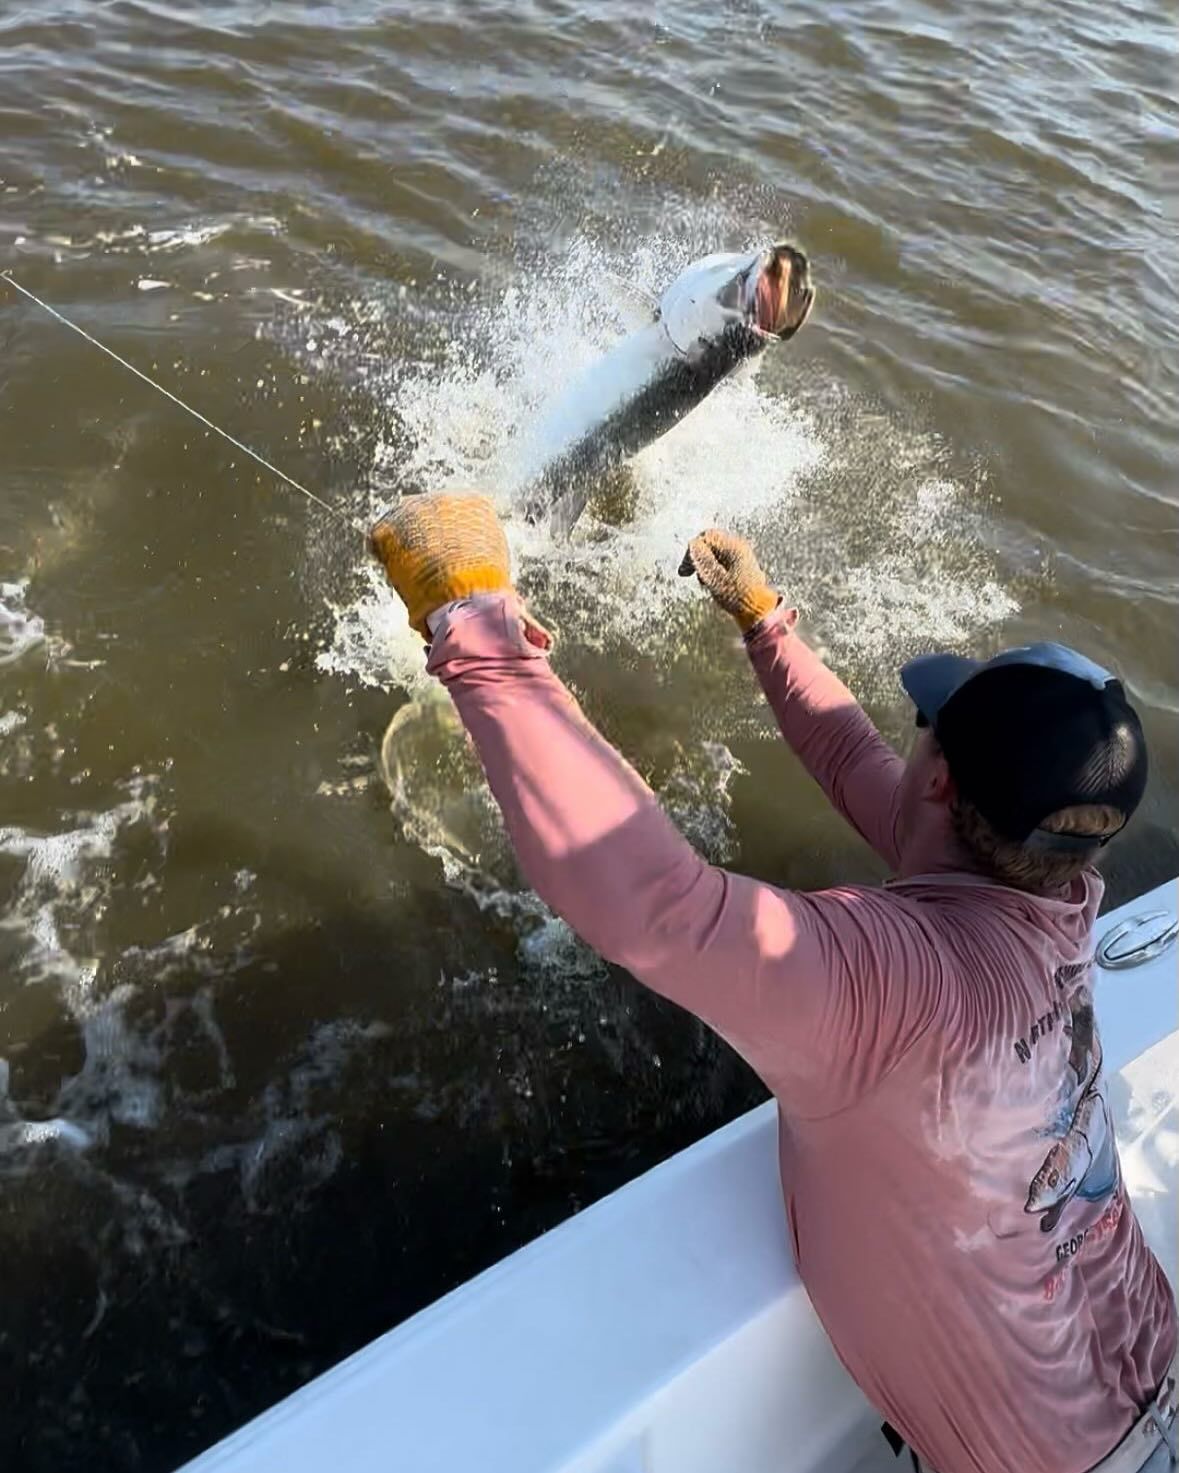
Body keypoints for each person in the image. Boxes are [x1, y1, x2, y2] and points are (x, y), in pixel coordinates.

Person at [370, 491, 1177, 1473]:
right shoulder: (1058, 893)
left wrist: (477, 630)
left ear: (942, 782)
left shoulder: (902, 988)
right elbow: (860, 764)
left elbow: (658, 907)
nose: (909, 739)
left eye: (926, 721)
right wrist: (766, 624)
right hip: (1155, 1370)